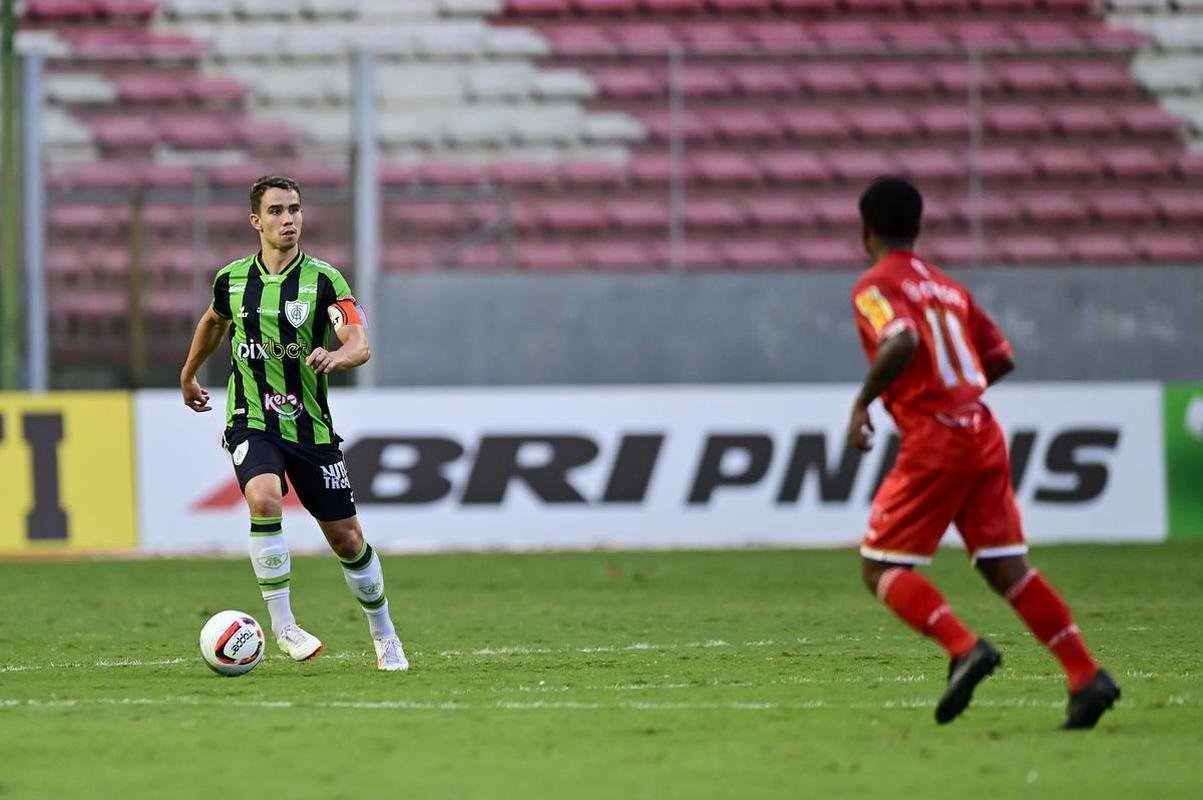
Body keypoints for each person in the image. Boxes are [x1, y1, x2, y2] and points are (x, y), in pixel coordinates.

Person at [846, 175, 1117, 728]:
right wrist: (959, 397)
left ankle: (964, 648)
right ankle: (1085, 675)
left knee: (881, 566)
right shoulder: (950, 288)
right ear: (918, 227)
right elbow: (999, 357)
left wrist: (863, 403)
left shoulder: (874, 287)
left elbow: (902, 338)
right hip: (981, 430)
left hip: (935, 437)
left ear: (865, 230)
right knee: (1005, 566)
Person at [179, 175, 407, 672]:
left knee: (347, 539)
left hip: (310, 429)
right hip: (251, 419)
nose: (289, 219)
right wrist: (189, 372)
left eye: (295, 209)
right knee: (263, 497)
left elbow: (359, 343)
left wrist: (336, 357)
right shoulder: (232, 279)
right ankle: (284, 628)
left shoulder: (326, 281)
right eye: (277, 211)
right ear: (256, 221)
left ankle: (384, 632)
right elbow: (214, 321)